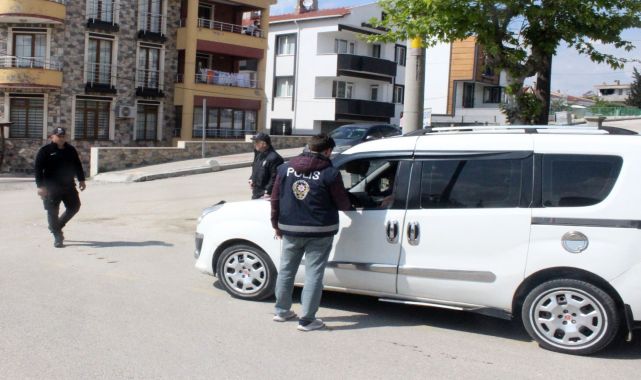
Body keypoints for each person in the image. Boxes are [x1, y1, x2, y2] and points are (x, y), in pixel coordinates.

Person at [270, 134, 352, 331]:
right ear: (327, 151)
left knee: (287, 270)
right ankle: (307, 320)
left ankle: (281, 311)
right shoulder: (330, 172)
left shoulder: (285, 168)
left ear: (308, 147)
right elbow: (342, 203)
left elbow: (275, 199)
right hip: (320, 230)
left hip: (290, 228)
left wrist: (276, 225)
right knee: (313, 273)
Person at [34, 127, 86, 248]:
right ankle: (58, 236)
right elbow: (38, 169)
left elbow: (77, 164)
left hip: (68, 185)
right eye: (58, 136)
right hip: (51, 186)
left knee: (74, 207)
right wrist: (40, 186)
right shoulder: (45, 151)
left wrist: (81, 179)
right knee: (52, 212)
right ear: (52, 137)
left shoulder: (70, 149)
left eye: (63, 136)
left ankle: (56, 226)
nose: (61, 138)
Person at [249, 132, 283, 199]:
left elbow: (274, 178)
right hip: (256, 192)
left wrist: (268, 192)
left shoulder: (275, 158)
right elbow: (255, 169)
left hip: (265, 195)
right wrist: (251, 179)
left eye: (256, 142)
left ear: (264, 144)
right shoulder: (259, 154)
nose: (255, 144)